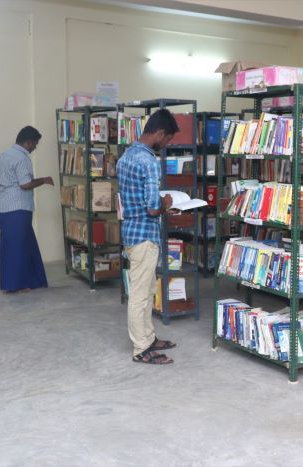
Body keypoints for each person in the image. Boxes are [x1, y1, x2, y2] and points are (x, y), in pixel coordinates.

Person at [117, 109, 180, 364]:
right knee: (141, 294)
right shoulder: (149, 161)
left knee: (145, 289)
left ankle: (148, 336)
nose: (167, 145)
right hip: (145, 235)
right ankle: (141, 349)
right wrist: (166, 202)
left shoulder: (126, 157)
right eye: (168, 140)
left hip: (131, 232)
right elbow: (153, 207)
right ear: (160, 133)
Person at [0, 126, 52, 293]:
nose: (35, 147)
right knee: (19, 248)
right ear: (28, 142)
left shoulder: (3, 155)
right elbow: (25, 184)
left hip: (4, 207)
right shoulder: (22, 158)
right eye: (35, 144)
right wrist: (43, 180)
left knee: (13, 246)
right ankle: (17, 284)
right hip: (18, 208)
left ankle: (27, 281)